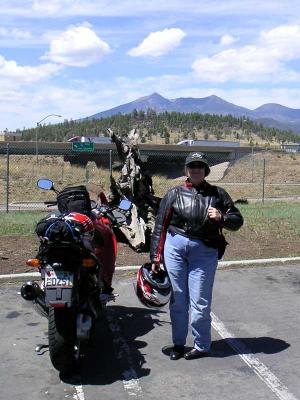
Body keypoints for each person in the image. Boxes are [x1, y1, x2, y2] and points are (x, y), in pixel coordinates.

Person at [150, 152, 243, 360]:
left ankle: (201, 345)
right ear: (186, 170)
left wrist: (222, 217)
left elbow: (237, 220)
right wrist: (156, 257)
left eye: (200, 166)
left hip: (204, 252)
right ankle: (178, 344)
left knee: (200, 302)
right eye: (192, 166)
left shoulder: (218, 194)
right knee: (178, 299)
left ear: (206, 170)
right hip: (175, 248)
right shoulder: (173, 194)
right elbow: (160, 227)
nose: (196, 169)